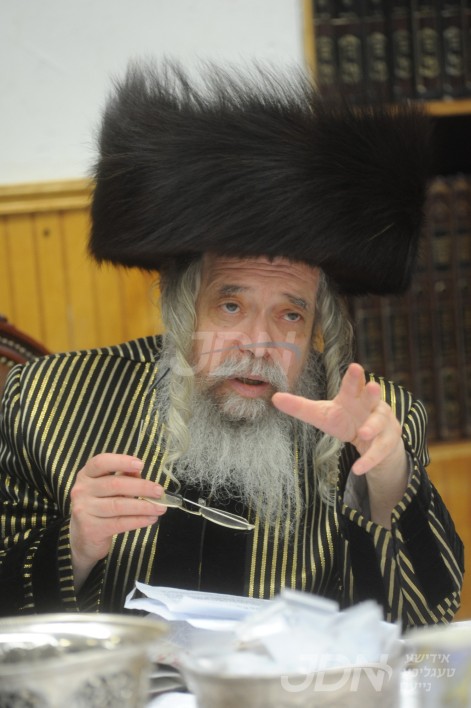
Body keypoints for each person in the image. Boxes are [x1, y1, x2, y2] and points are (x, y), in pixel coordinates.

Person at [0, 62, 463, 626]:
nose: (260, 344)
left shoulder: (374, 423)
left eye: (290, 315)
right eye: (231, 306)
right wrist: (73, 547)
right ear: (182, 307)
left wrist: (386, 481)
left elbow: (428, 619)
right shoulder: (49, 403)